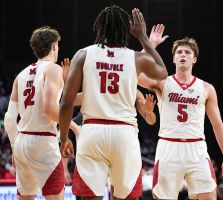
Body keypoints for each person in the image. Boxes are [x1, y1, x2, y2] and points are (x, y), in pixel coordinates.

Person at [59, 5, 168, 200]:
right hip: (124, 134)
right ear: (126, 30)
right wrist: (143, 37)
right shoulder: (136, 58)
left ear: (99, 27)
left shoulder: (83, 54)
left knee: (90, 197)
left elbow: (66, 103)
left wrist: (64, 137)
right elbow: (162, 71)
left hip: (92, 132)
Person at [138, 31, 223, 199]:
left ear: (194, 59)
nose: (183, 55)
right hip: (169, 147)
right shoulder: (162, 82)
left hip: (197, 148)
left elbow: (217, 124)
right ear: (174, 59)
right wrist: (150, 45)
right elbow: (134, 73)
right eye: (179, 52)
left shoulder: (206, 88)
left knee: (210, 196)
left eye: (187, 52)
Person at [3, 26, 80, 200]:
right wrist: (73, 127)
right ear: (54, 46)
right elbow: (49, 109)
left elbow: (9, 120)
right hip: (43, 142)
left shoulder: (20, 76)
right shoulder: (53, 69)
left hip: (22, 142)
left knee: (25, 197)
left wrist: (15, 148)